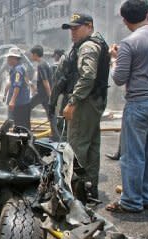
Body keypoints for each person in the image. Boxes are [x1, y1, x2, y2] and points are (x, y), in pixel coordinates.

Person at [106, 0, 148, 213]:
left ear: (125, 20)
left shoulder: (129, 43)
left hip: (139, 104)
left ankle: (131, 202)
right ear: (147, 13)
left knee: (132, 155)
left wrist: (114, 59)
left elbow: (119, 78)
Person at [61, 13, 110, 200]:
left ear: (89, 26)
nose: (72, 33)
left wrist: (72, 102)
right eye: (71, 29)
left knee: (76, 148)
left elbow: (87, 76)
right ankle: (90, 190)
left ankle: (76, 195)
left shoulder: (88, 46)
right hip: (94, 101)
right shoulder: (98, 44)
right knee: (91, 147)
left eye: (76, 28)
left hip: (85, 102)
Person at [29, 45, 60, 140]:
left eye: (31, 55)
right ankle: (56, 136)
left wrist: (50, 96)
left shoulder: (41, 65)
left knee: (26, 108)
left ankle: (26, 130)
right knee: (51, 114)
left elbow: (45, 81)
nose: (30, 56)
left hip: (43, 95)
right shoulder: (45, 63)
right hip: (44, 94)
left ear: (35, 54)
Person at [4, 47, 31, 129]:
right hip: (21, 101)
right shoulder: (16, 68)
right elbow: (11, 83)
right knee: (21, 123)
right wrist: (5, 95)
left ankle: (23, 139)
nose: (7, 60)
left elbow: (17, 86)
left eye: (9, 58)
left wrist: (12, 101)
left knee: (20, 124)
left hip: (19, 103)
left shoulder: (18, 70)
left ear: (14, 58)